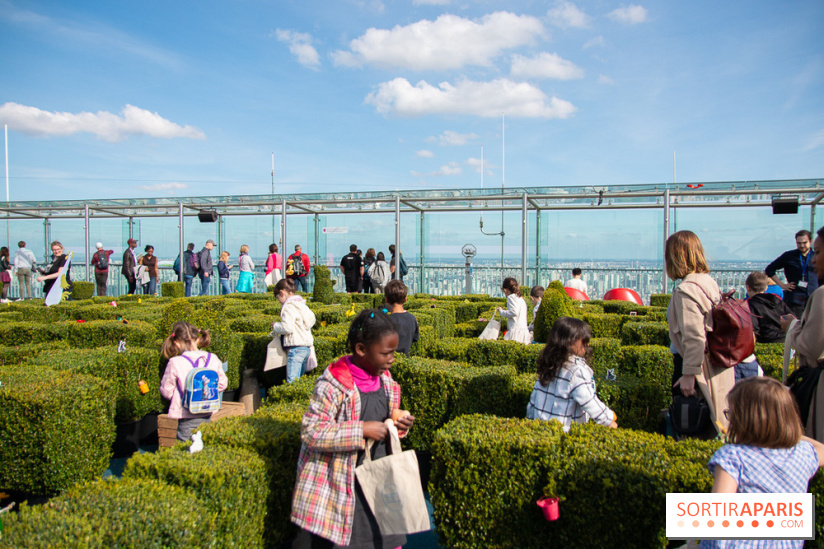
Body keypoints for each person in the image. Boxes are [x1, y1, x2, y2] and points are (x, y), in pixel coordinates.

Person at [290, 308, 416, 548]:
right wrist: (361, 430)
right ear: (361, 350)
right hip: (345, 487)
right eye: (385, 353)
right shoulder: (334, 384)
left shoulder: (387, 381)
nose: (392, 359)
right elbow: (311, 430)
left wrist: (398, 426)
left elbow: (384, 424)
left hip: (381, 483)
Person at [699, 377, 824, 549]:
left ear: (745, 420)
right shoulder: (802, 454)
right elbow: (821, 448)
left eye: (731, 414)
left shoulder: (733, 456)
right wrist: (782, 428)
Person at [666, 230, 733, 434]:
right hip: (714, 364)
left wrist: (689, 374)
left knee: (691, 425)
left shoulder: (686, 290)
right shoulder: (707, 281)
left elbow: (694, 336)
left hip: (696, 368)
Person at [526, 316, 617, 431]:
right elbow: (589, 401)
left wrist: (529, 423)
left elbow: (533, 401)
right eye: (584, 340)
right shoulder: (576, 371)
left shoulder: (550, 364)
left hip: (541, 429)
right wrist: (608, 419)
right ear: (570, 342)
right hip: (565, 433)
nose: (587, 344)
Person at [781, 226, 824, 440]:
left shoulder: (822, 295)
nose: (813, 259)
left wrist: (792, 327)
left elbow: (811, 346)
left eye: (817, 251)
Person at [159, 321, 228, 442]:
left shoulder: (175, 362)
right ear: (197, 339)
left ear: (176, 343)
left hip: (186, 416)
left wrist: (179, 397)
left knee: (186, 450)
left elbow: (166, 391)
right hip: (207, 413)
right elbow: (223, 384)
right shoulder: (213, 358)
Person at [271, 278, 316, 383]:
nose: (279, 301)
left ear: (282, 293)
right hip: (306, 348)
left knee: (292, 382)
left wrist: (276, 326)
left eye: (278, 298)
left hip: (295, 348)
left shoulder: (289, 307)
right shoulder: (302, 305)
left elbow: (288, 327)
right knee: (299, 383)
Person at [766, 229, 818, 317]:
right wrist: (782, 285)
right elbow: (769, 270)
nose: (802, 245)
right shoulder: (789, 256)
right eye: (799, 243)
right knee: (795, 326)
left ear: (811, 241)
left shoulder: (816, 256)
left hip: (814, 298)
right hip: (795, 299)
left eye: (804, 243)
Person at [746, 271, 792, 344]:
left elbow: (753, 328)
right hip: (784, 339)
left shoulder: (750, 304)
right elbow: (791, 317)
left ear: (748, 287)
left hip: (765, 341)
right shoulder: (777, 300)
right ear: (766, 287)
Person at [383, 279, 419, 356]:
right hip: (405, 360)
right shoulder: (412, 318)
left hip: (388, 360)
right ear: (405, 299)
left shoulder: (386, 321)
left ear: (386, 299)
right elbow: (415, 339)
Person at [497, 277, 531, 344]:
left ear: (505, 290)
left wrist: (502, 312)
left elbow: (514, 312)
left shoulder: (511, 297)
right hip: (523, 330)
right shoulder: (520, 298)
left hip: (515, 331)